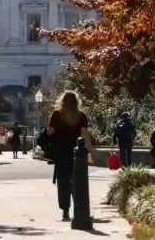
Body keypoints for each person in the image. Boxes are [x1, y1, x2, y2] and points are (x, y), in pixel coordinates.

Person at [45, 91, 92, 221]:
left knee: (63, 182)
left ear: (62, 101)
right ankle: (79, 209)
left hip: (60, 153)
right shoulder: (81, 116)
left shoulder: (56, 114)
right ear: (76, 102)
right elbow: (84, 134)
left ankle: (65, 211)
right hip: (77, 153)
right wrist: (90, 150)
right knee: (77, 181)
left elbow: (49, 132)